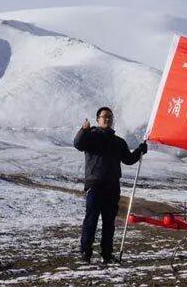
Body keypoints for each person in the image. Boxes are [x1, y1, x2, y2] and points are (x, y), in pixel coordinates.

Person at [73, 106, 147, 264]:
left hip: (112, 188)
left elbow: (128, 159)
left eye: (110, 117)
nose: (107, 119)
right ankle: (85, 253)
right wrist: (83, 130)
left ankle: (106, 254)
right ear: (98, 119)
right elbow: (78, 144)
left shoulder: (119, 142)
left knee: (109, 223)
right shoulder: (91, 136)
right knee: (90, 221)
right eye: (104, 116)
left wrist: (140, 150)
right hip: (95, 186)